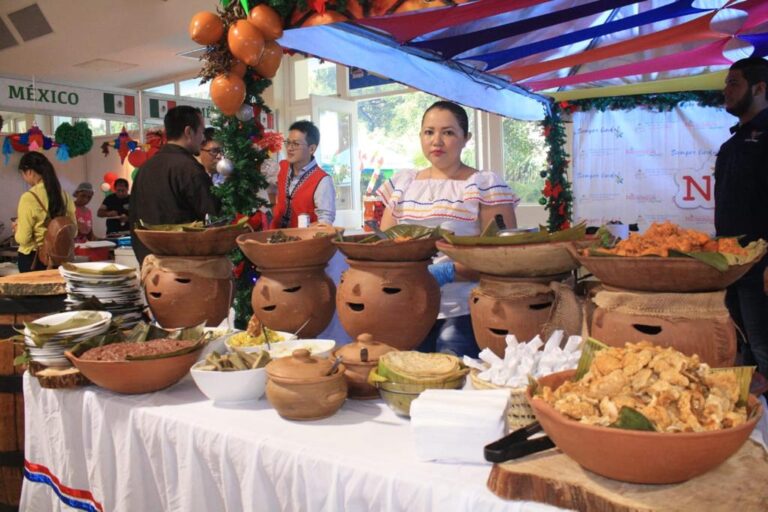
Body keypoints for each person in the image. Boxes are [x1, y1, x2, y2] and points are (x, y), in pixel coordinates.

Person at [377, 100, 519, 357]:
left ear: (466, 138)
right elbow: (385, 247)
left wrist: (447, 272)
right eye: (429, 132)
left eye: (449, 132)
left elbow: (504, 258)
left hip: (462, 311)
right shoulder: (403, 184)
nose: (437, 141)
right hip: (407, 309)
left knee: (452, 387)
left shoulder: (484, 185)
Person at [715, 57, 768, 379]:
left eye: (734, 83)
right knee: (742, 347)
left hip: (761, 266)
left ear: (760, 88)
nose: (726, 90)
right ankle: (754, 423)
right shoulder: (733, 142)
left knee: (763, 346)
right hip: (731, 264)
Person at [129, 105, 220, 266]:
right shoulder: (189, 168)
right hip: (183, 266)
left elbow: (134, 219)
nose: (202, 138)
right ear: (188, 132)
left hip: (149, 264)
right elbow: (212, 216)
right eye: (201, 131)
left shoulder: (145, 168)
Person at [12, 152, 76, 272]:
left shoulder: (29, 197)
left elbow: (23, 238)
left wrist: (17, 229)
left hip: (34, 259)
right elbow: (74, 231)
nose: (24, 178)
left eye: (22, 174)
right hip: (61, 259)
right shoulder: (65, 196)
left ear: (29, 171)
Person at [270, 120, 335, 228]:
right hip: (276, 238)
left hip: (303, 241)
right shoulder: (281, 167)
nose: (289, 148)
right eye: (288, 142)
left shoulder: (322, 180)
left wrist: (306, 229)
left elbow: (325, 223)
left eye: (295, 144)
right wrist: (273, 208)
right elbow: (270, 187)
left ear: (311, 149)